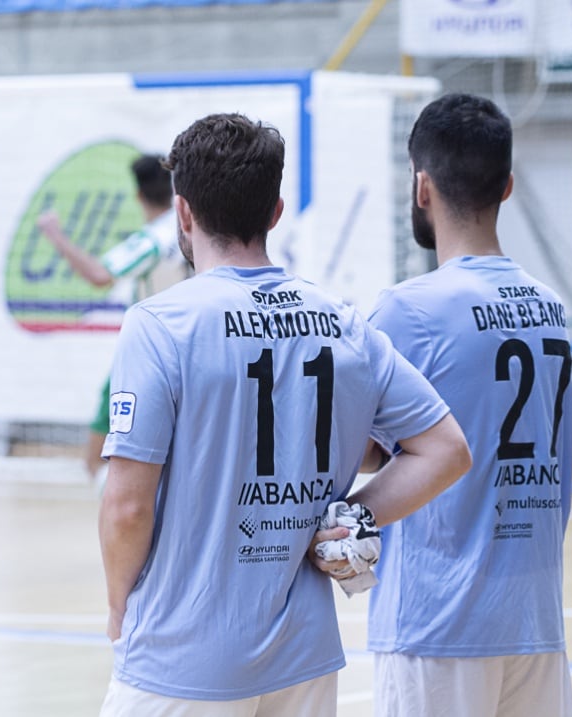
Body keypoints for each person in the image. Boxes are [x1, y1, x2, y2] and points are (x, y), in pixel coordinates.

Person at [97, 113, 472, 716]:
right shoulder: (344, 323)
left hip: (181, 656)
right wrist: (352, 516)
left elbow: (127, 505)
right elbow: (449, 448)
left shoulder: (161, 324)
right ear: (275, 213)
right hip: (305, 659)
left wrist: (120, 605)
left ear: (183, 214)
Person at [363, 93, 572, 716]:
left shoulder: (408, 309)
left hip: (439, 622)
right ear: (507, 186)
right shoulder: (552, 309)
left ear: (421, 187)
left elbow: (360, 450)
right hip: (535, 620)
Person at [36, 154, 186, 479]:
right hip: (189, 355)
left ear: (138, 196)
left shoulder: (153, 239)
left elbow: (99, 274)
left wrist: (55, 235)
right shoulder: (190, 230)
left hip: (150, 358)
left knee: (99, 460)